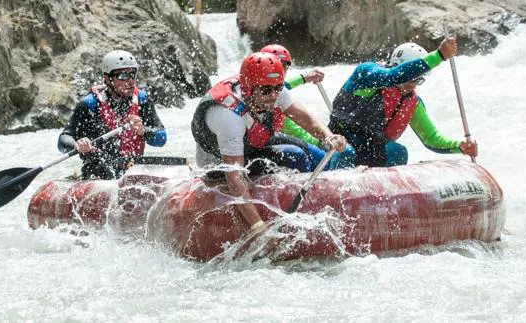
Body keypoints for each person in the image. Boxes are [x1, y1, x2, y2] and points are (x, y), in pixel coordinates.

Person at [191, 52, 347, 232]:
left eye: (277, 88)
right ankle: (304, 208)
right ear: (248, 88)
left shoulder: (271, 87)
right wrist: (258, 226)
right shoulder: (228, 116)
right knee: (294, 155)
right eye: (266, 91)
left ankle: (330, 189)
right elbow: (234, 176)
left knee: (307, 149)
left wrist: (329, 136)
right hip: (217, 163)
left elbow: (306, 120)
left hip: (250, 144)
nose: (273, 95)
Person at [328, 37, 478, 167]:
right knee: (345, 152)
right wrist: (438, 56)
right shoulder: (366, 74)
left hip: (371, 150)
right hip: (336, 142)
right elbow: (392, 76)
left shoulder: (412, 102)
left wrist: (459, 146)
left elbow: (430, 138)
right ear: (396, 65)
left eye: (419, 79)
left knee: (398, 151)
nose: (413, 84)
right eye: (411, 77)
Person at [58, 50, 167, 179]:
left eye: (133, 74)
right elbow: (63, 140)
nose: (130, 81)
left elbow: (162, 138)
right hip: (98, 175)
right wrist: (77, 144)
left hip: (132, 171)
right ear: (107, 78)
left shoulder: (142, 100)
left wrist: (143, 131)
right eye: (123, 76)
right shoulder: (90, 104)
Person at [260, 44, 357, 168]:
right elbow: (283, 85)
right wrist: (304, 78)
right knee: (341, 155)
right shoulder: (263, 93)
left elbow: (284, 86)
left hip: (313, 140)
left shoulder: (280, 91)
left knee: (348, 151)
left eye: (284, 66)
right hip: (298, 144)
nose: (280, 71)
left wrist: (305, 78)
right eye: (276, 65)